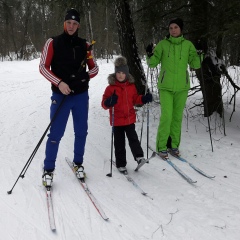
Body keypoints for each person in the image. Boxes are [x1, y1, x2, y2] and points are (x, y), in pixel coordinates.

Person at [39, 8, 98, 187]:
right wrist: (59, 83)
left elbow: (94, 69)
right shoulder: (53, 42)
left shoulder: (85, 45)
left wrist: (84, 77)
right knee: (56, 133)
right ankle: (48, 169)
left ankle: (78, 163)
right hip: (61, 96)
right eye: (68, 23)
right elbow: (43, 67)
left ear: (78, 25)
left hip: (80, 96)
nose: (71, 26)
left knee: (81, 132)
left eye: (75, 23)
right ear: (64, 23)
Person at [146, 18, 201, 159]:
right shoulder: (163, 44)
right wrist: (149, 54)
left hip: (182, 87)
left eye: (176, 27)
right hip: (166, 87)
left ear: (181, 29)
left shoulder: (188, 45)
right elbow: (152, 64)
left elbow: (196, 64)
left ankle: (174, 145)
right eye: (171, 28)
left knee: (177, 118)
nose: (173, 30)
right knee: (167, 116)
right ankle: (162, 146)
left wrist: (200, 53)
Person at [101, 56, 152, 172]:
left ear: (126, 74)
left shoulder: (131, 86)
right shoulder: (110, 88)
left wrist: (143, 99)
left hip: (129, 119)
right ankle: (121, 164)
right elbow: (104, 104)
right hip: (117, 120)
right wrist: (109, 102)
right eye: (118, 72)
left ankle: (139, 157)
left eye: (123, 73)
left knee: (133, 139)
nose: (120, 75)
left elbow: (135, 99)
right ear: (115, 73)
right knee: (119, 143)